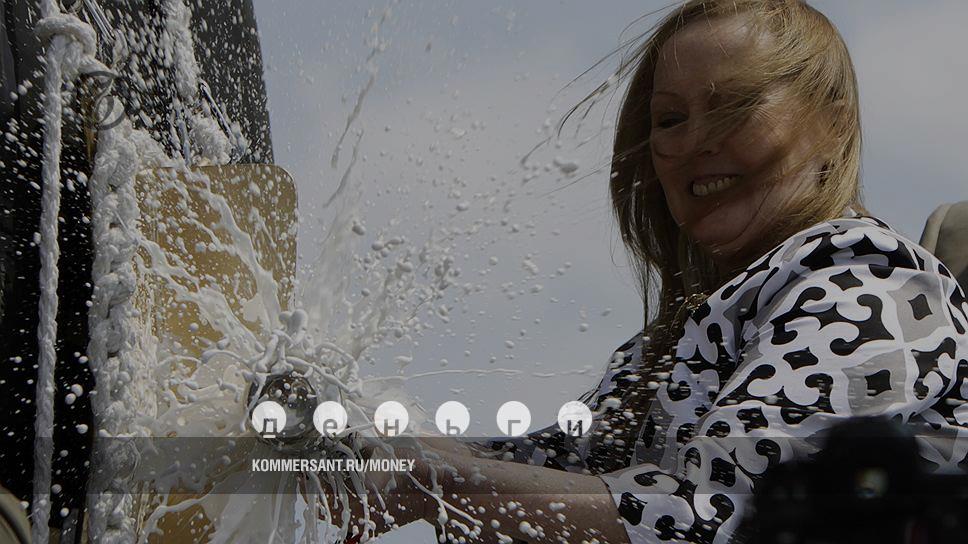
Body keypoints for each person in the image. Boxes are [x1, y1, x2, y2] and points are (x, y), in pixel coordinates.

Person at [314, 1, 968, 542]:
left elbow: (719, 515)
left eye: (735, 104)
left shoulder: (868, 286)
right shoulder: (671, 342)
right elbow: (553, 469)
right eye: (670, 119)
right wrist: (367, 437)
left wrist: (434, 479)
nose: (696, 141)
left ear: (834, 123)